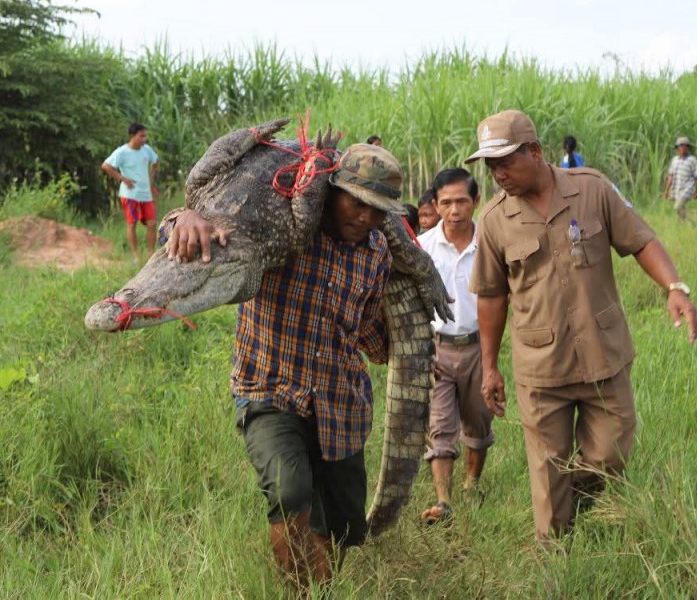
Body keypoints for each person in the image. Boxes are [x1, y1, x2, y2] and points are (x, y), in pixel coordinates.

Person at [163, 143, 407, 591]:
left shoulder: (376, 253)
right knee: (290, 491)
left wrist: (408, 353)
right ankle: (305, 592)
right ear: (334, 191)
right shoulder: (282, 225)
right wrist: (182, 217)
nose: (366, 219)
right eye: (358, 205)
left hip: (340, 405)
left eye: (378, 212)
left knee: (343, 529)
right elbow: (197, 227)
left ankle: (324, 587)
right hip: (269, 388)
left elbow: (368, 329)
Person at [465, 109, 697, 544]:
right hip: (541, 367)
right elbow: (492, 296)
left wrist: (674, 287)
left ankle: (575, 499)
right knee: (548, 473)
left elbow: (642, 239)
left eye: (505, 162)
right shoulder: (495, 220)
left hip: (602, 353)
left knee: (610, 456)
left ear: (534, 151)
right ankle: (555, 558)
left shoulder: (592, 190)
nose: (497, 174)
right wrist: (490, 366)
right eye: (490, 166)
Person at [417, 168, 494, 526]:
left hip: (480, 347)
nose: (454, 210)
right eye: (445, 203)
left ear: (475, 201)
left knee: (478, 422)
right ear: (435, 204)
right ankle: (443, 500)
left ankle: (472, 483)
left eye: (461, 201)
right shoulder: (423, 247)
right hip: (437, 348)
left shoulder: (490, 244)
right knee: (440, 425)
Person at [102, 123, 160, 262]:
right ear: (132, 136)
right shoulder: (122, 152)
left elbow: (156, 161)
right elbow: (106, 166)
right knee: (132, 223)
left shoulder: (146, 150)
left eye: (145, 136)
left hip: (146, 194)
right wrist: (122, 178)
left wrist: (151, 178)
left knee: (152, 223)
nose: (144, 139)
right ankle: (135, 256)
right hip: (129, 195)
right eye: (141, 136)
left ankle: (151, 254)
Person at [663, 136, 697, 222]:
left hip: (687, 188)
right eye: (680, 146)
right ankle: (683, 227)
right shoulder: (674, 160)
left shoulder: (692, 160)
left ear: (688, 147)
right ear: (677, 148)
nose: (682, 148)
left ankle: (692, 223)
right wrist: (666, 190)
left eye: (684, 146)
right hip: (677, 188)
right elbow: (670, 176)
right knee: (680, 210)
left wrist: (696, 191)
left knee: (677, 207)